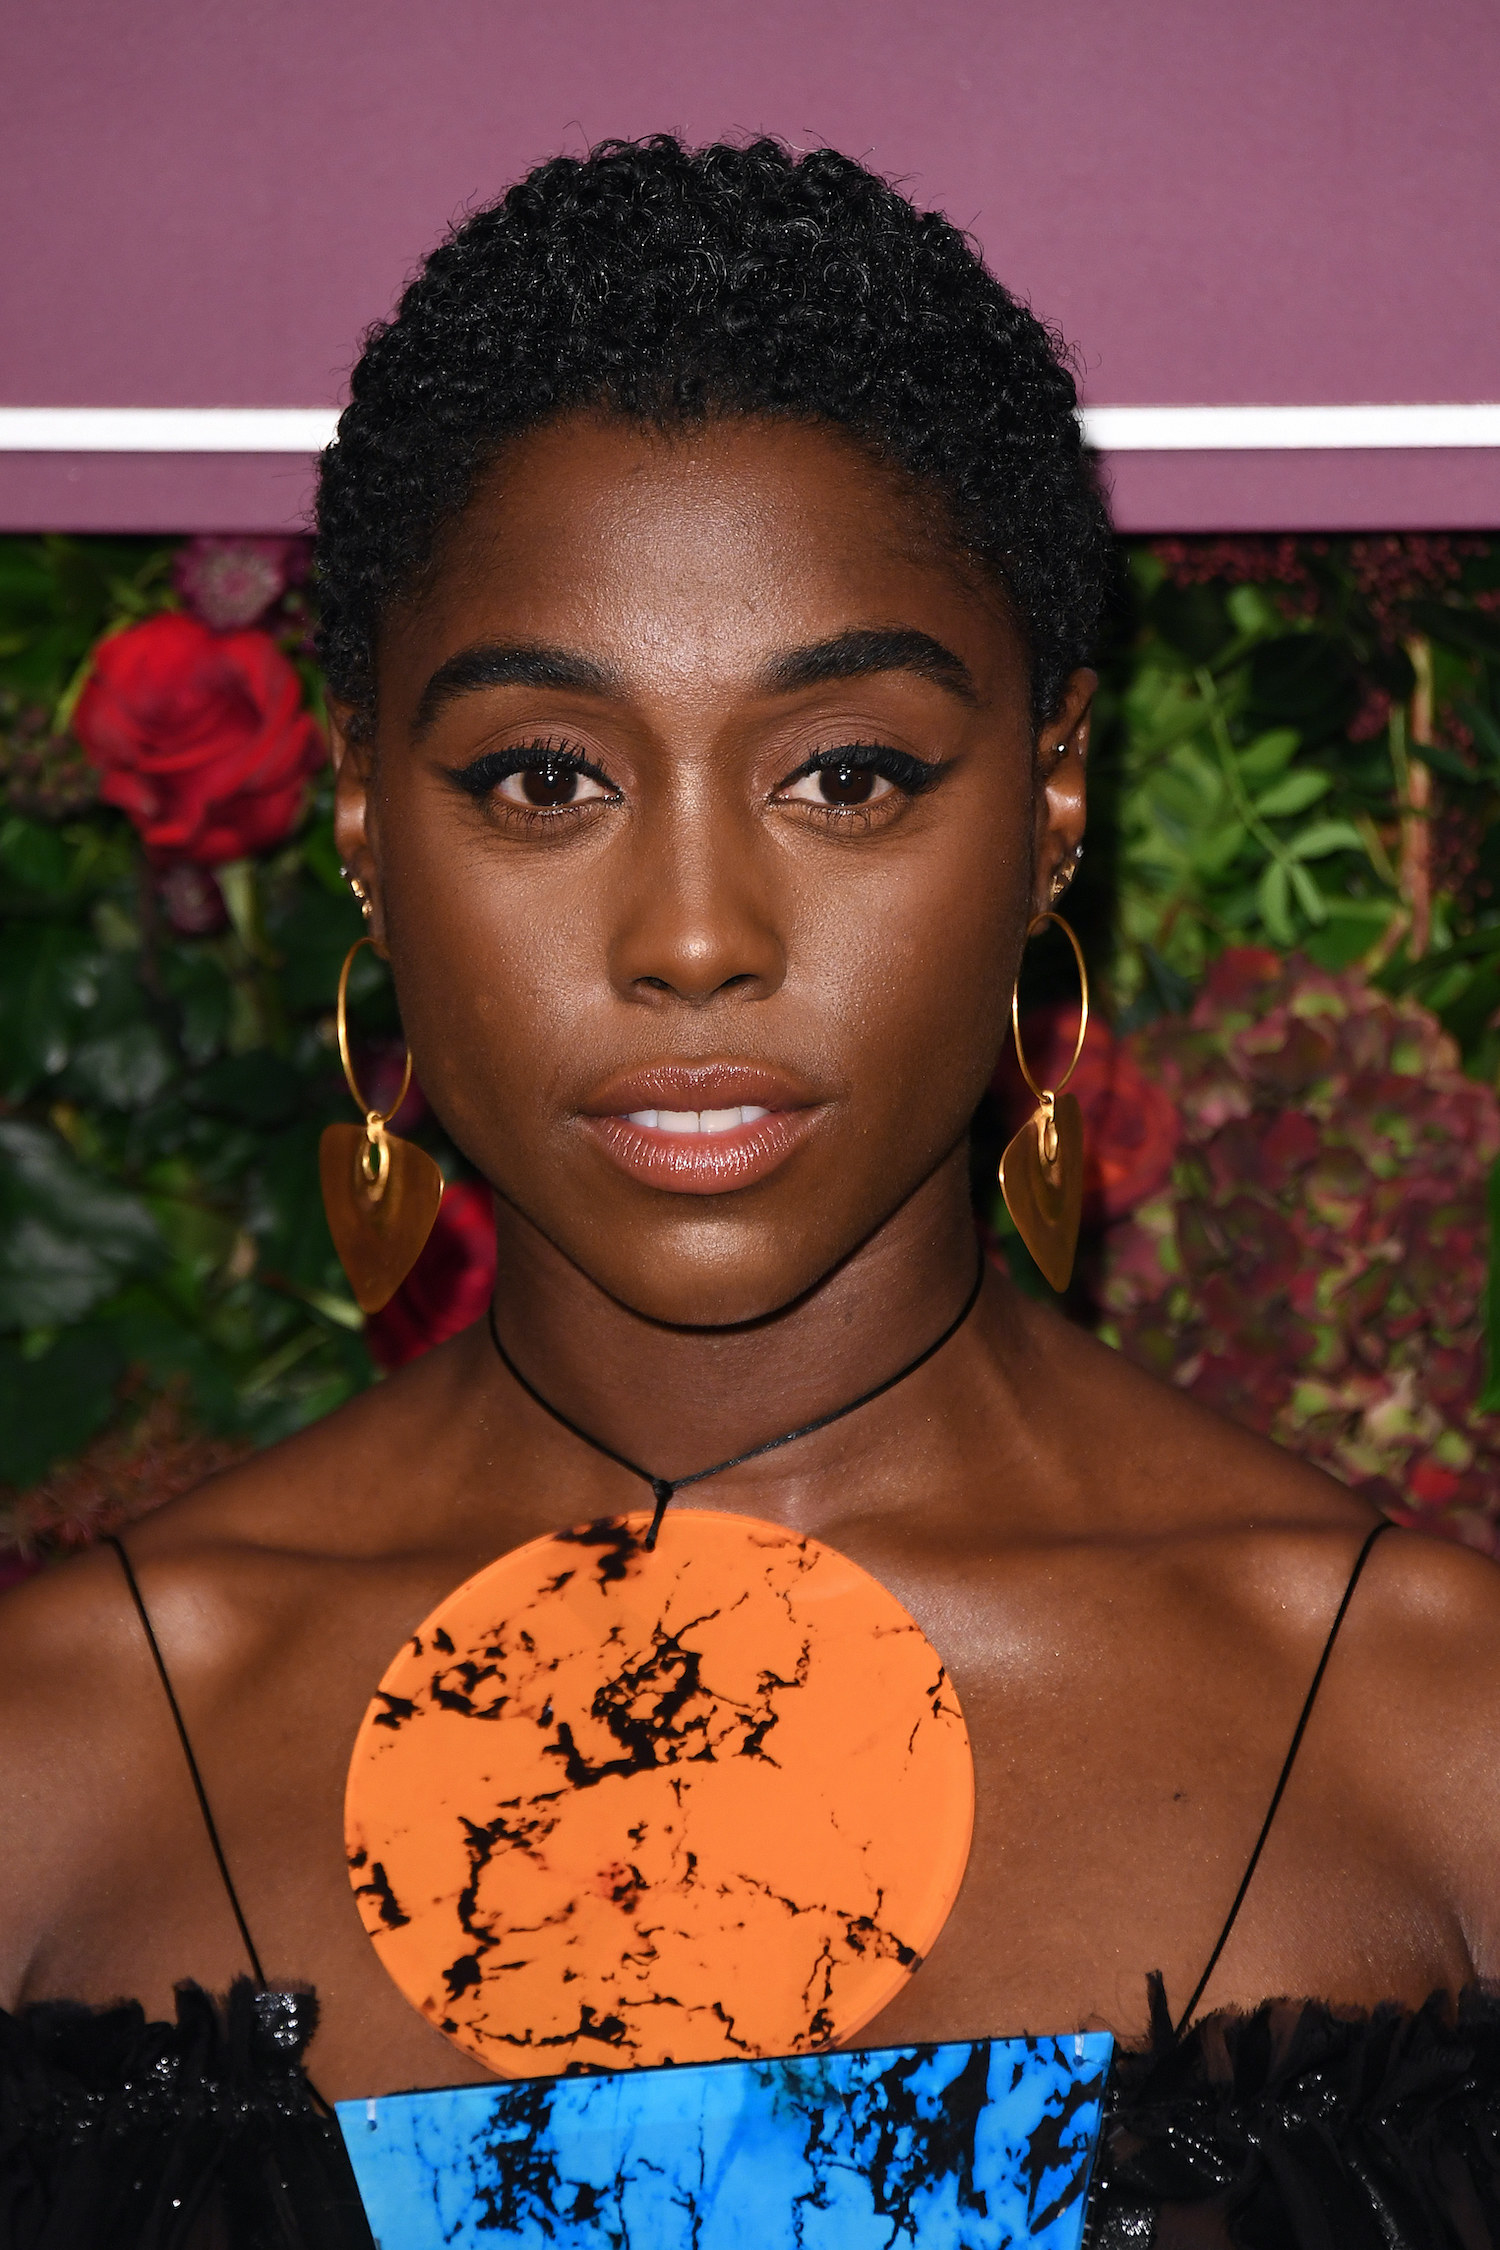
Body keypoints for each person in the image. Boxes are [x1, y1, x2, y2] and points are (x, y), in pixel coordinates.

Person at [3, 136, 1499, 2250]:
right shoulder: (59, 1758)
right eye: (546, 778)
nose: (693, 933)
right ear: (358, 816)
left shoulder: (1436, 1736)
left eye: (845, 775)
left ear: (1054, 799)